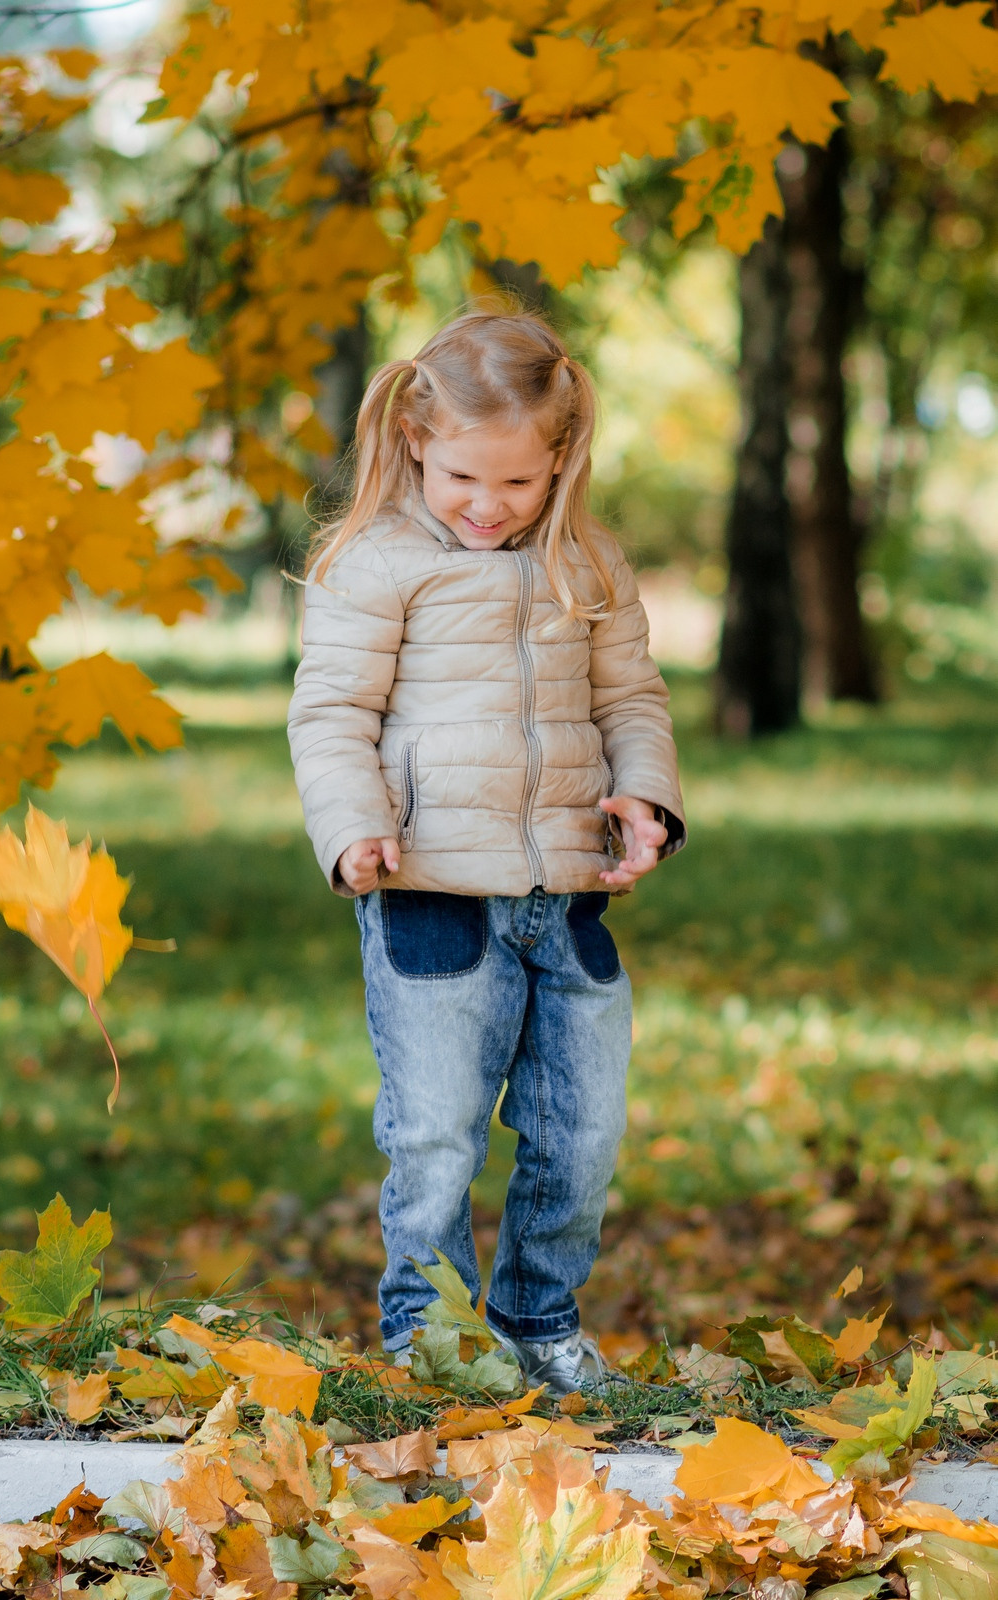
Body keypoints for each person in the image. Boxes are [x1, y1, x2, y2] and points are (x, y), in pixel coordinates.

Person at [287, 310, 685, 1395]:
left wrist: (644, 796)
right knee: (433, 1134)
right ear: (416, 434)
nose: (487, 505)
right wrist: (351, 822)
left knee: (582, 1130)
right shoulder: (375, 564)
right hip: (428, 894)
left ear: (558, 458)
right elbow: (330, 715)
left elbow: (629, 699)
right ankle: (431, 1336)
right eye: (465, 474)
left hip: (565, 896)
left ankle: (537, 1314)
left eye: (517, 483)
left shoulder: (586, 561)